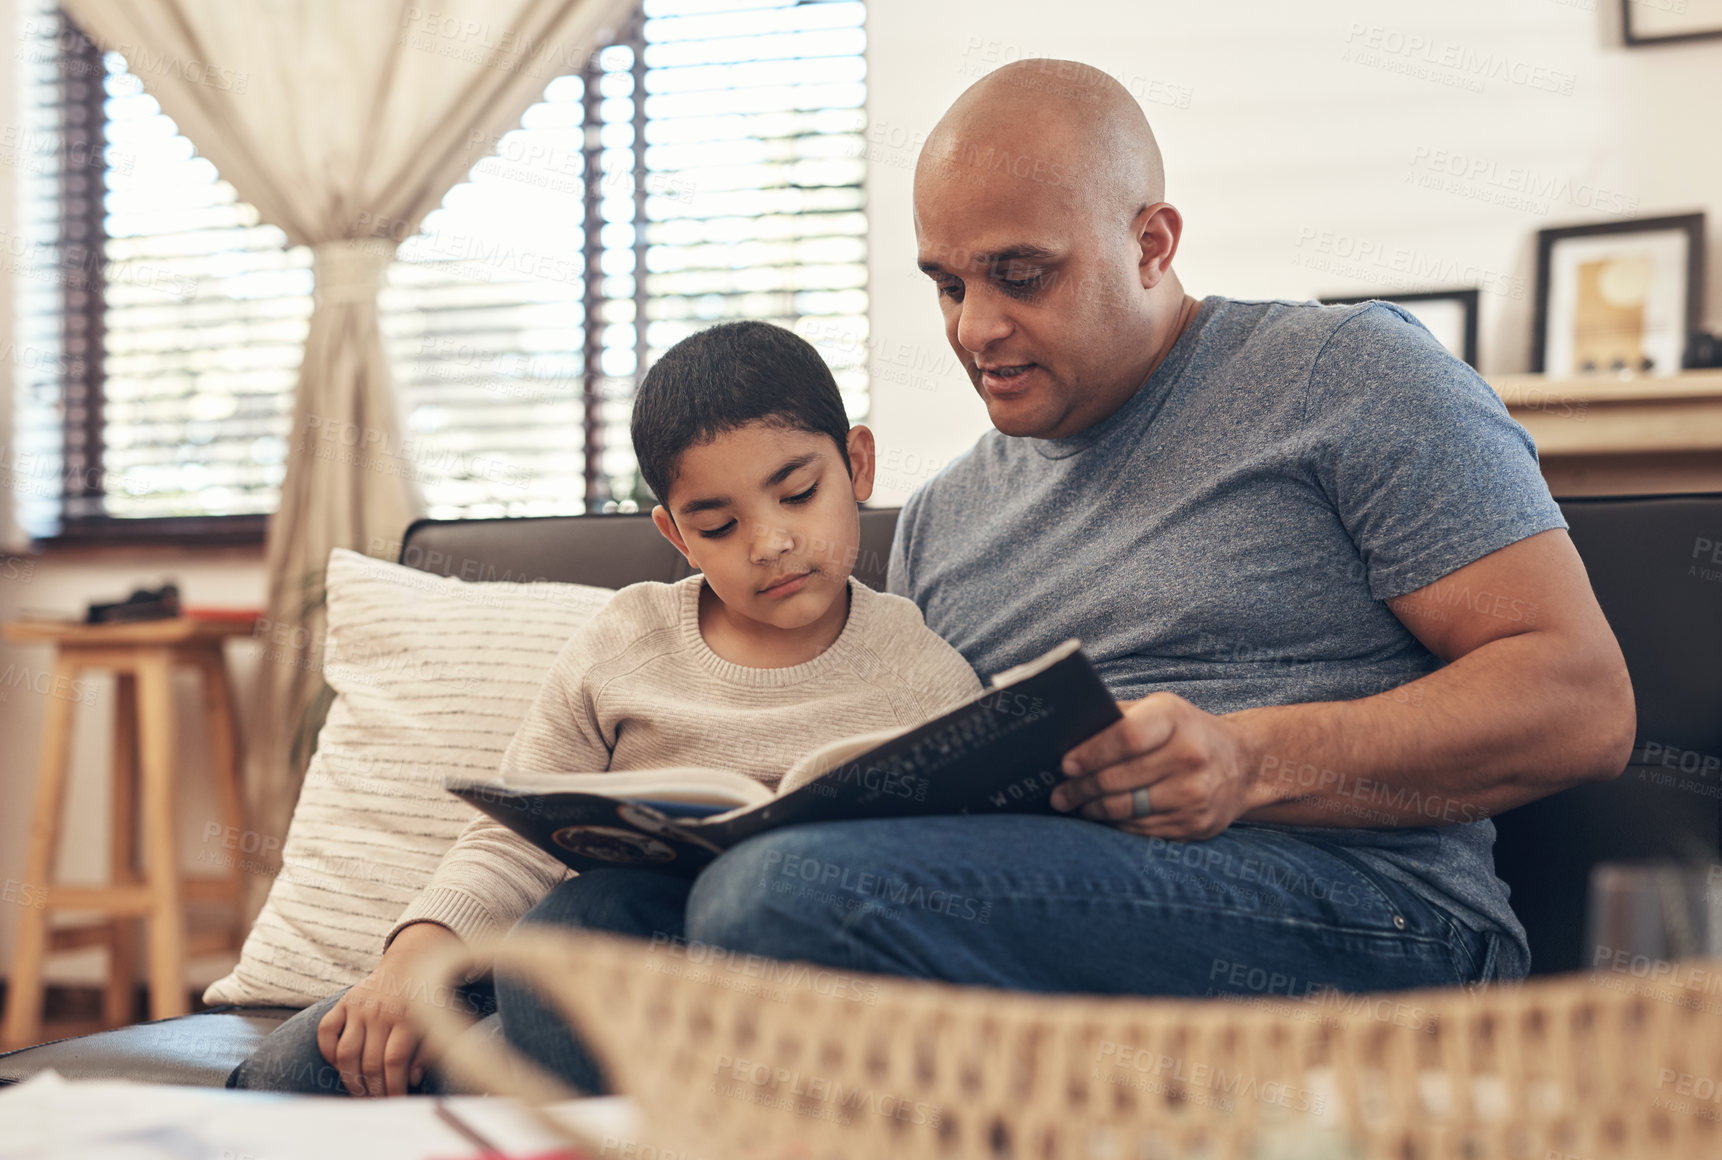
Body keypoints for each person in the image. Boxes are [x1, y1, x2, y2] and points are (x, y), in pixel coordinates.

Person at [228, 320, 982, 1097]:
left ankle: (521, 1081)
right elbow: (510, 840)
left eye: (797, 494)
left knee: (589, 917)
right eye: (718, 526)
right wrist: (413, 962)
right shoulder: (627, 640)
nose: (769, 543)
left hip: (778, 1010)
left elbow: (960, 896)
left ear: (857, 465)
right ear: (676, 535)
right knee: (299, 1065)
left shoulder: (921, 676)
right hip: (578, 976)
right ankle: (519, 1073)